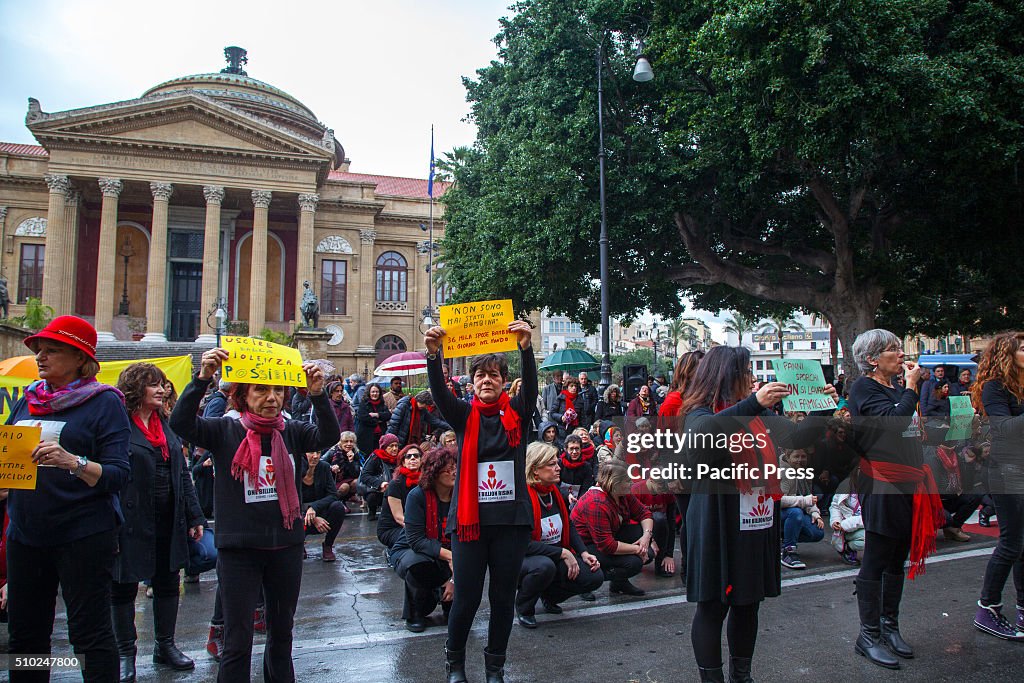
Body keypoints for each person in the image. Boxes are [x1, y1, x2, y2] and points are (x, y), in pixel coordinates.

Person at [169, 347, 340, 682]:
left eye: (278, 390)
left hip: (285, 548)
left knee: (281, 635)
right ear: (243, 395)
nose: (271, 398)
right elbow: (180, 422)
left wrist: (318, 394)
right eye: (261, 390)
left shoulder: (291, 431)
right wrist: (203, 377)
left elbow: (328, 435)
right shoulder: (223, 430)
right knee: (238, 640)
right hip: (239, 551)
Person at [678, 344, 836, 682]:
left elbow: (795, 437)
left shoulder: (759, 414)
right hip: (717, 522)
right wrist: (753, 403)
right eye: (747, 372)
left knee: (748, 603)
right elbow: (701, 440)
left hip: (756, 519)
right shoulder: (699, 412)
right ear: (728, 376)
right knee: (713, 606)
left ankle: (741, 674)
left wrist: (820, 407)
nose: (752, 379)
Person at [5, 316, 130, 682]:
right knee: (25, 639)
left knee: (89, 637)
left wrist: (72, 462)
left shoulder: (104, 403)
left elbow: (118, 475)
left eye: (52, 350)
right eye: (39, 350)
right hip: (26, 534)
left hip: (82, 534)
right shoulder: (27, 400)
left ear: (79, 358)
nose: (41, 357)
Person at [424, 319, 537, 683]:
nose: (486, 380)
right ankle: (455, 663)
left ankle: (495, 666)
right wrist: (433, 354)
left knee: (503, 599)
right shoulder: (463, 415)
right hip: (470, 524)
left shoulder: (517, 412)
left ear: (504, 381)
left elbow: (532, 388)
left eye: (493, 375)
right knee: (467, 598)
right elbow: (440, 393)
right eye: (480, 376)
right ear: (471, 383)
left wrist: (525, 348)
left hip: (511, 523)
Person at [847, 329, 943, 669]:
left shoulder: (894, 389)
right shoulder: (864, 388)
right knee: (877, 554)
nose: (901, 354)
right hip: (883, 482)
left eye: (900, 348)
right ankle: (868, 634)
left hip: (908, 481)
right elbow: (892, 421)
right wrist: (913, 387)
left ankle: (890, 626)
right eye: (893, 349)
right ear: (873, 359)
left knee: (897, 554)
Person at [112, 363, 205, 681]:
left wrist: (194, 515)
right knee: (123, 586)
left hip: (169, 516)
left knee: (168, 581)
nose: (163, 390)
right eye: (154, 385)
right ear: (136, 389)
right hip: (130, 517)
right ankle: (125, 654)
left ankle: (165, 645)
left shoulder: (166, 424)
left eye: (163, 385)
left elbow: (182, 473)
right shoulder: (119, 425)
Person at [970, 332, 1024, 640]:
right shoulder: (995, 388)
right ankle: (987, 608)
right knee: (1011, 543)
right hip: (1006, 470)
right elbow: (1003, 428)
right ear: (1008, 355)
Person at [516, 442, 603, 628]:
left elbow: (568, 526)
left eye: (557, 463)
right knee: (544, 567)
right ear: (535, 470)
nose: (558, 468)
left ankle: (549, 596)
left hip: (554, 554)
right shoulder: (523, 499)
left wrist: (583, 552)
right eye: (551, 464)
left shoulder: (554, 492)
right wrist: (563, 553)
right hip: (524, 560)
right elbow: (523, 545)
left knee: (594, 576)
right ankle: (524, 607)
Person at [390, 446, 457, 632]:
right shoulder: (417, 495)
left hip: (448, 550)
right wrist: (451, 557)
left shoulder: (460, 497)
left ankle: (447, 598)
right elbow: (416, 541)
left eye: (456, 467)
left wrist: (454, 580)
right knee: (419, 563)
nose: (454, 472)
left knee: (468, 562)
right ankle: (415, 611)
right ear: (434, 472)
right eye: (449, 469)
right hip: (412, 551)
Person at [571, 460, 653, 596]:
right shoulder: (596, 502)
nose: (631, 483)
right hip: (586, 546)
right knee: (633, 563)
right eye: (627, 481)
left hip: (608, 537)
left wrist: (646, 536)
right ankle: (586, 579)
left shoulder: (622, 494)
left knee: (645, 547)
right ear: (614, 483)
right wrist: (638, 550)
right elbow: (606, 545)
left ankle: (619, 583)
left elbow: (644, 513)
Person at [778, 448, 826, 570]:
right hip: (775, 514)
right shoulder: (782, 471)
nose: (800, 460)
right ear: (788, 457)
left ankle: (785, 539)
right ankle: (789, 551)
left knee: (817, 533)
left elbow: (808, 495)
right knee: (796, 513)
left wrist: (816, 513)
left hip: (793, 511)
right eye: (796, 456)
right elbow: (778, 501)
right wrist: (804, 501)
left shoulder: (804, 472)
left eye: (803, 456)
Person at [300, 450, 347, 562]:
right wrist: (313, 517)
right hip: (300, 514)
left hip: (319, 510)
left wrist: (314, 507)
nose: (315, 456)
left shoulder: (324, 467)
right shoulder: (295, 468)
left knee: (338, 507)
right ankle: (299, 545)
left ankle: (328, 545)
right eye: (311, 452)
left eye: (319, 452)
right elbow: (292, 499)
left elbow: (333, 495)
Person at [376, 445, 424, 553]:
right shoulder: (395, 484)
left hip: (415, 525)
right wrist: (419, 530)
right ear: (403, 462)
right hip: (393, 528)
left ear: (421, 460)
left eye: (416, 456)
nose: (412, 458)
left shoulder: (425, 482)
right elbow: (398, 517)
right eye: (408, 456)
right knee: (417, 541)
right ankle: (392, 553)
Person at [358, 433, 401, 521]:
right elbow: (365, 476)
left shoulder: (401, 458)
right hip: (380, 490)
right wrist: (379, 483)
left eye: (396, 446)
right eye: (391, 446)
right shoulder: (376, 458)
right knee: (372, 497)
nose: (394, 449)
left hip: (396, 489)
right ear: (384, 447)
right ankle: (372, 511)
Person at [830, 467, 866, 565]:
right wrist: (835, 522)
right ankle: (847, 548)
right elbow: (835, 506)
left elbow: (870, 518)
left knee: (871, 539)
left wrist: (846, 525)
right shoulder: (846, 484)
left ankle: (850, 546)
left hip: (860, 525)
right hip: (844, 528)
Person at [323, 431, 361, 501]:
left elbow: (356, 474)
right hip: (334, 480)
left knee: (357, 482)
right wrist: (331, 467)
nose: (349, 444)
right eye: (346, 441)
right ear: (341, 442)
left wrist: (351, 461)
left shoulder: (355, 453)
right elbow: (321, 462)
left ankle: (347, 498)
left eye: (351, 441)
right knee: (344, 487)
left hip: (348, 479)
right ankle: (336, 500)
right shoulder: (333, 451)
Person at [355, 384, 391, 456]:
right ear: (369, 393)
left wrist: (377, 415)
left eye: (377, 392)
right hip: (366, 437)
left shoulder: (382, 404)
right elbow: (363, 417)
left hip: (380, 436)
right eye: (373, 392)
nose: (375, 394)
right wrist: (378, 421)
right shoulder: (364, 404)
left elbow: (388, 415)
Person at [559, 434, 596, 502]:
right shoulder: (559, 464)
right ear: (566, 449)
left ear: (581, 449)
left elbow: (586, 487)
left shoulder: (586, 466)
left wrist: (579, 501)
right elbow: (555, 484)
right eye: (571, 449)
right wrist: (566, 494)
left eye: (577, 448)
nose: (574, 452)